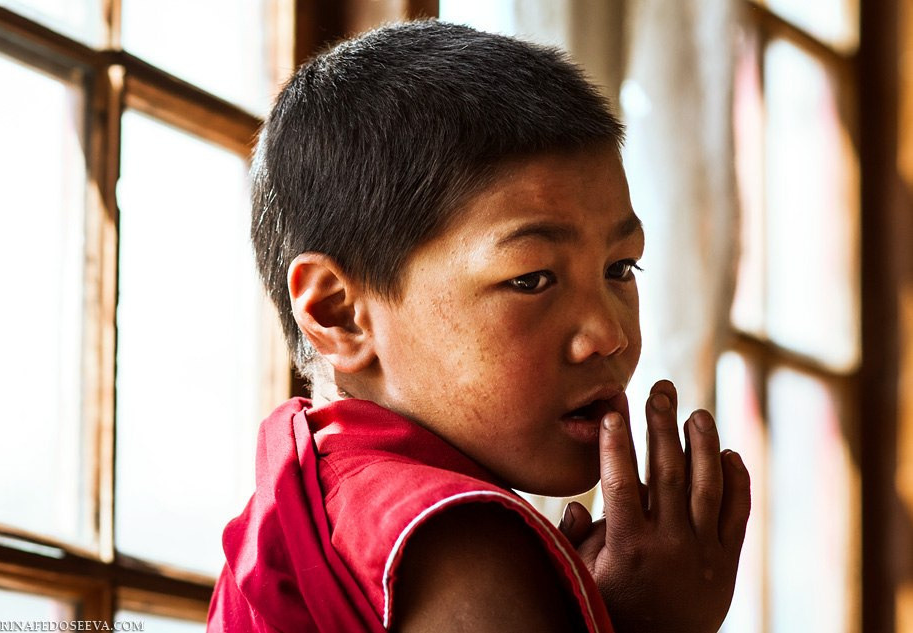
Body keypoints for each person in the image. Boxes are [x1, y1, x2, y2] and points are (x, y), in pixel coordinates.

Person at [207, 20, 751, 633]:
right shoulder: (461, 547)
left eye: (619, 268)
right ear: (339, 313)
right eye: (531, 279)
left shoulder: (327, 499)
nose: (608, 333)